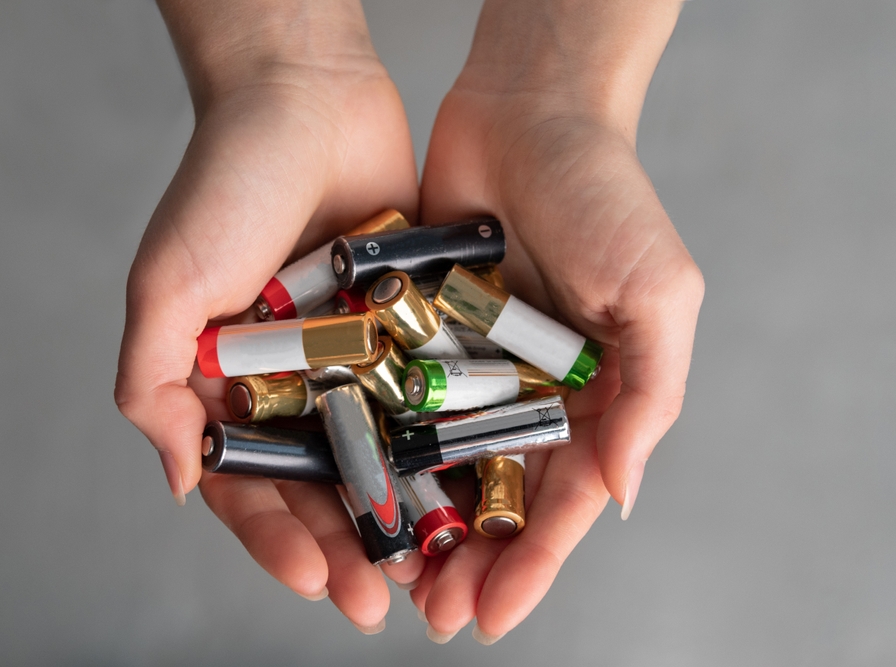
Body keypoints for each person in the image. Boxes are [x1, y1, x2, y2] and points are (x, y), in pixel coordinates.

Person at [115, 0, 704, 646]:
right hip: (420, 370)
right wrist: (279, 66)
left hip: (434, 375)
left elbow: (412, 389)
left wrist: (558, 96)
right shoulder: (417, 351)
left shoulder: (467, 360)